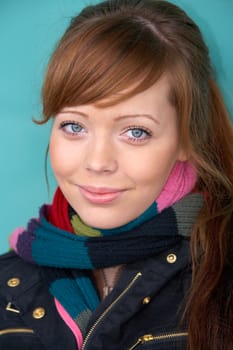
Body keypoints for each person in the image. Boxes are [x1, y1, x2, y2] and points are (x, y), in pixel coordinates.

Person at [0, 0, 232, 349]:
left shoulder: (222, 273)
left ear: (186, 139)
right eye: (74, 125)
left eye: (135, 132)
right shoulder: (7, 282)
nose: (97, 162)